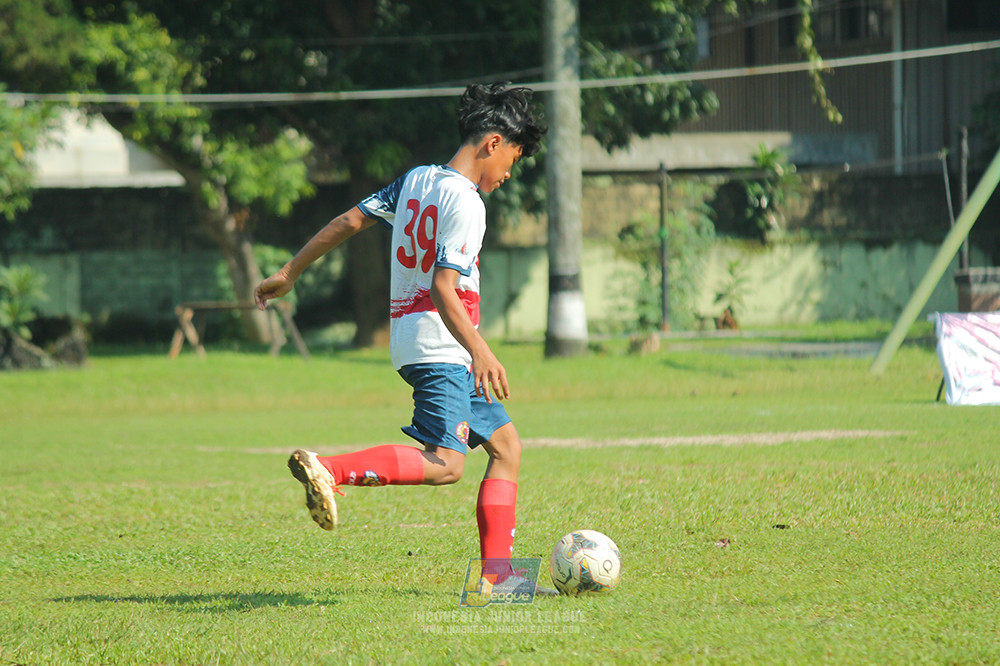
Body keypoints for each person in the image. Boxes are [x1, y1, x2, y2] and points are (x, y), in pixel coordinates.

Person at [254, 82, 552, 595]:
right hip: (445, 346)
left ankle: (498, 579)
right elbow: (443, 287)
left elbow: (350, 219)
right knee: (446, 465)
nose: (506, 176)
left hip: (422, 340)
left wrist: (290, 271)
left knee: (506, 447)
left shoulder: (417, 179)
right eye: (513, 161)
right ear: (493, 143)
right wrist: (481, 349)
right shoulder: (469, 203)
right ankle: (330, 469)